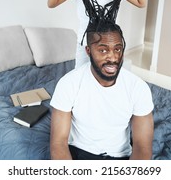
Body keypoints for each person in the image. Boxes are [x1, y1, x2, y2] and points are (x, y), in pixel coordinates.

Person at [50, 20, 154, 160]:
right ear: (88, 51)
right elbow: (58, 143)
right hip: (79, 153)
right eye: (103, 50)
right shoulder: (68, 84)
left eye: (117, 49)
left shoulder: (138, 88)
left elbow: (142, 146)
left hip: (120, 157)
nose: (112, 57)